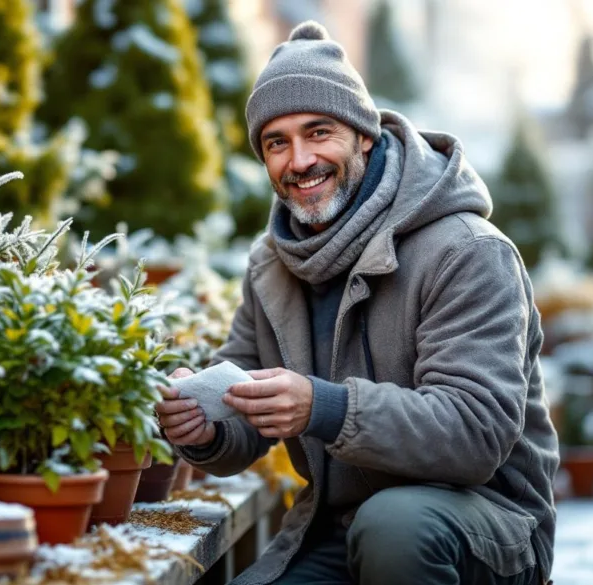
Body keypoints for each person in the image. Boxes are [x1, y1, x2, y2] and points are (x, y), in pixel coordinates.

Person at [155, 20, 559, 585]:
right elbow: (247, 396)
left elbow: (475, 433)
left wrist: (324, 406)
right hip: (337, 528)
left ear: (363, 135)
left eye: (318, 132)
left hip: (485, 530)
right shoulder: (271, 263)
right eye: (277, 142)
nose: (299, 160)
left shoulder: (465, 251)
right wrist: (206, 428)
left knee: (395, 526)